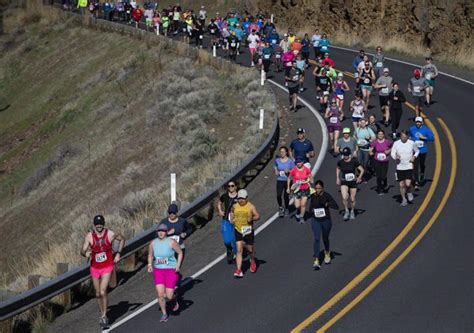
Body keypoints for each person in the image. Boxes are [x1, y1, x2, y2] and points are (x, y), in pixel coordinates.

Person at [81, 215, 125, 329]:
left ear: (103, 224)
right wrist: (85, 253)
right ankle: (102, 314)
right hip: (95, 268)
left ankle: (105, 316)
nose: (99, 226)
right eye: (97, 224)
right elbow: (82, 250)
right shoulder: (90, 236)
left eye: (100, 223)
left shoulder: (110, 234)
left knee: (102, 290)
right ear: (94, 225)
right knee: (97, 294)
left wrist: (118, 253)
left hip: (107, 266)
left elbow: (122, 239)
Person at [147, 223, 183, 323]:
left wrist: (178, 265)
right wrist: (150, 264)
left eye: (163, 231)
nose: (161, 233)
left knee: (169, 296)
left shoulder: (171, 242)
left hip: (170, 270)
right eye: (159, 231)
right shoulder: (153, 243)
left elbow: (180, 253)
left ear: (166, 232)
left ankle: (174, 299)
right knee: (160, 294)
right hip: (158, 271)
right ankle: (164, 314)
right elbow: (150, 255)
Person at [308, 180, 338, 270]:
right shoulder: (313, 196)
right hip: (316, 220)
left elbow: (336, 206)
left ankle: (327, 252)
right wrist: (311, 211)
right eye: (316, 188)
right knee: (317, 238)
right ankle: (316, 259)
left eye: (319, 188)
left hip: (326, 220)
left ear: (322, 188)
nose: (317, 190)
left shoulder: (327, 195)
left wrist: (327, 204)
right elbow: (310, 207)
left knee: (325, 238)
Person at [230, 189, 260, 278]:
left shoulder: (251, 206)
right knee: (239, 250)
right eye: (239, 198)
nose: (241, 200)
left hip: (247, 230)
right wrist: (231, 219)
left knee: (250, 249)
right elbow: (231, 213)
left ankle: (252, 260)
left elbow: (258, 216)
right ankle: (239, 270)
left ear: (246, 198)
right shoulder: (235, 206)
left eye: (243, 198)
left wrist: (252, 219)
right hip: (238, 229)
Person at [391, 130, 419, 206]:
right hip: (400, 167)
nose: (403, 138)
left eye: (405, 137)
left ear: (407, 137)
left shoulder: (411, 143)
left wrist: (414, 157)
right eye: (402, 137)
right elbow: (392, 153)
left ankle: (409, 192)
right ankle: (404, 199)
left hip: (408, 166)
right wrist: (395, 156)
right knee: (401, 185)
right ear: (400, 136)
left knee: (408, 184)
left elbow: (417, 151)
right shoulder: (396, 143)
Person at [337, 147, 364, 221]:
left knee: (352, 199)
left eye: (346, 154)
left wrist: (359, 177)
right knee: (344, 197)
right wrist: (337, 178)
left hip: (353, 182)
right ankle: (346, 210)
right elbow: (338, 168)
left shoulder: (354, 161)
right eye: (344, 155)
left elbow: (362, 170)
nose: (345, 156)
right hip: (344, 181)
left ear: (349, 154)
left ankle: (352, 211)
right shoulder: (341, 162)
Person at [409, 117, 434, 189]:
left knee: (422, 164)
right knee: (415, 165)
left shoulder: (426, 129)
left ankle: (422, 173)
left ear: (422, 123)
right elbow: (410, 136)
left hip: (423, 150)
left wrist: (424, 138)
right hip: (415, 150)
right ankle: (416, 182)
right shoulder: (412, 129)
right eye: (417, 122)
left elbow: (432, 138)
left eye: (419, 122)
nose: (418, 123)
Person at [217, 181, 238, 263]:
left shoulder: (239, 196)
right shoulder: (225, 196)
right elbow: (219, 202)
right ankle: (229, 248)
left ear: (236, 187)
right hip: (226, 220)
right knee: (227, 240)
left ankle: (235, 254)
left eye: (232, 186)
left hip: (237, 221)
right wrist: (220, 211)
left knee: (235, 238)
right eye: (229, 186)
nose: (230, 187)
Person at [287, 157, 313, 224]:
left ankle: (301, 217)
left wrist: (310, 181)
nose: (298, 163)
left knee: (303, 204)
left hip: (305, 189)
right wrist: (288, 187)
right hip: (297, 190)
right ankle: (298, 212)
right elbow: (289, 178)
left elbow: (310, 177)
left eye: (299, 162)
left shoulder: (306, 169)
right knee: (297, 206)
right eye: (297, 162)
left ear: (302, 162)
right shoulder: (294, 170)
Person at [275, 146, 296, 217]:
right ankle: (281, 207)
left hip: (288, 181)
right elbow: (275, 166)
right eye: (281, 152)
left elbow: (294, 171)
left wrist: (289, 171)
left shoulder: (290, 161)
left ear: (286, 152)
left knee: (286, 196)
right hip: (280, 180)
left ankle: (287, 208)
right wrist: (276, 171)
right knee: (278, 195)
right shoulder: (277, 160)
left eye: (283, 152)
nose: (282, 153)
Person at [370, 129, 392, 194]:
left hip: (385, 161)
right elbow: (371, 148)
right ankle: (379, 189)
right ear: (377, 135)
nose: (380, 135)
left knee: (383, 176)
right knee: (378, 176)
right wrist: (370, 152)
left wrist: (388, 151)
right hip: (377, 160)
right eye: (379, 134)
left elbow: (394, 146)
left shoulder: (387, 142)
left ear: (383, 135)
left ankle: (385, 182)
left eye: (381, 134)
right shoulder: (375, 142)